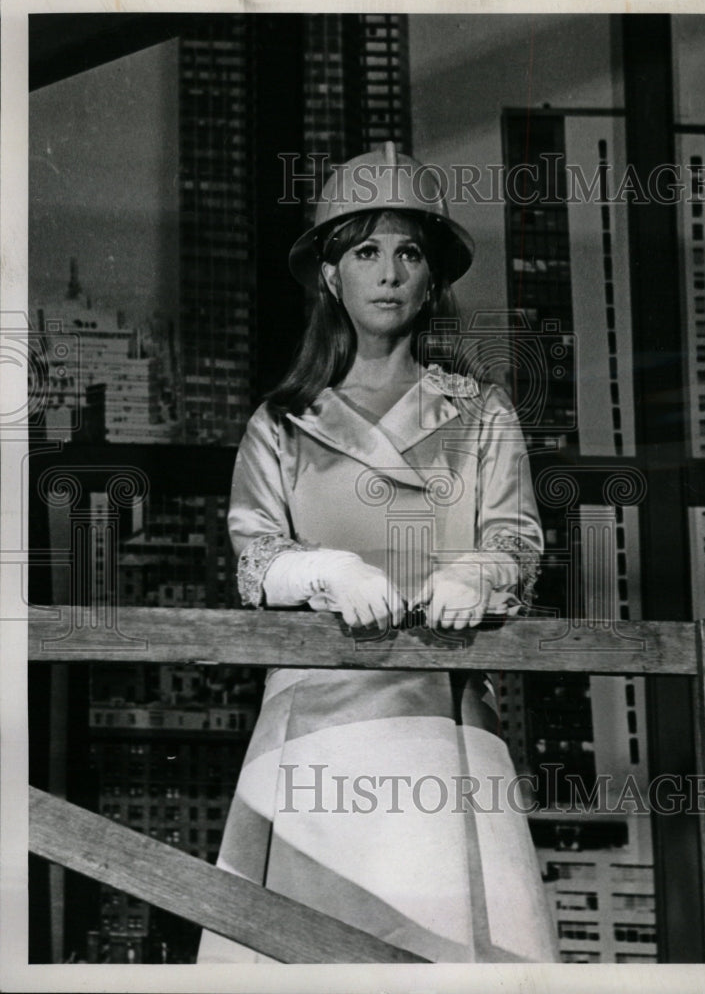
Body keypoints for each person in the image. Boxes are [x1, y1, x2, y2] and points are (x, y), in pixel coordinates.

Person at [198, 142, 559, 964]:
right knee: (302, 950)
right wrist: (321, 570)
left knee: (454, 947)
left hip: (443, 722)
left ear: (432, 280)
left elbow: (516, 536)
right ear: (331, 276)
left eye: (408, 253)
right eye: (365, 252)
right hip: (315, 729)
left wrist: (482, 571)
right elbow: (254, 557)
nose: (389, 272)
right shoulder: (284, 423)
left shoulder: (483, 413)